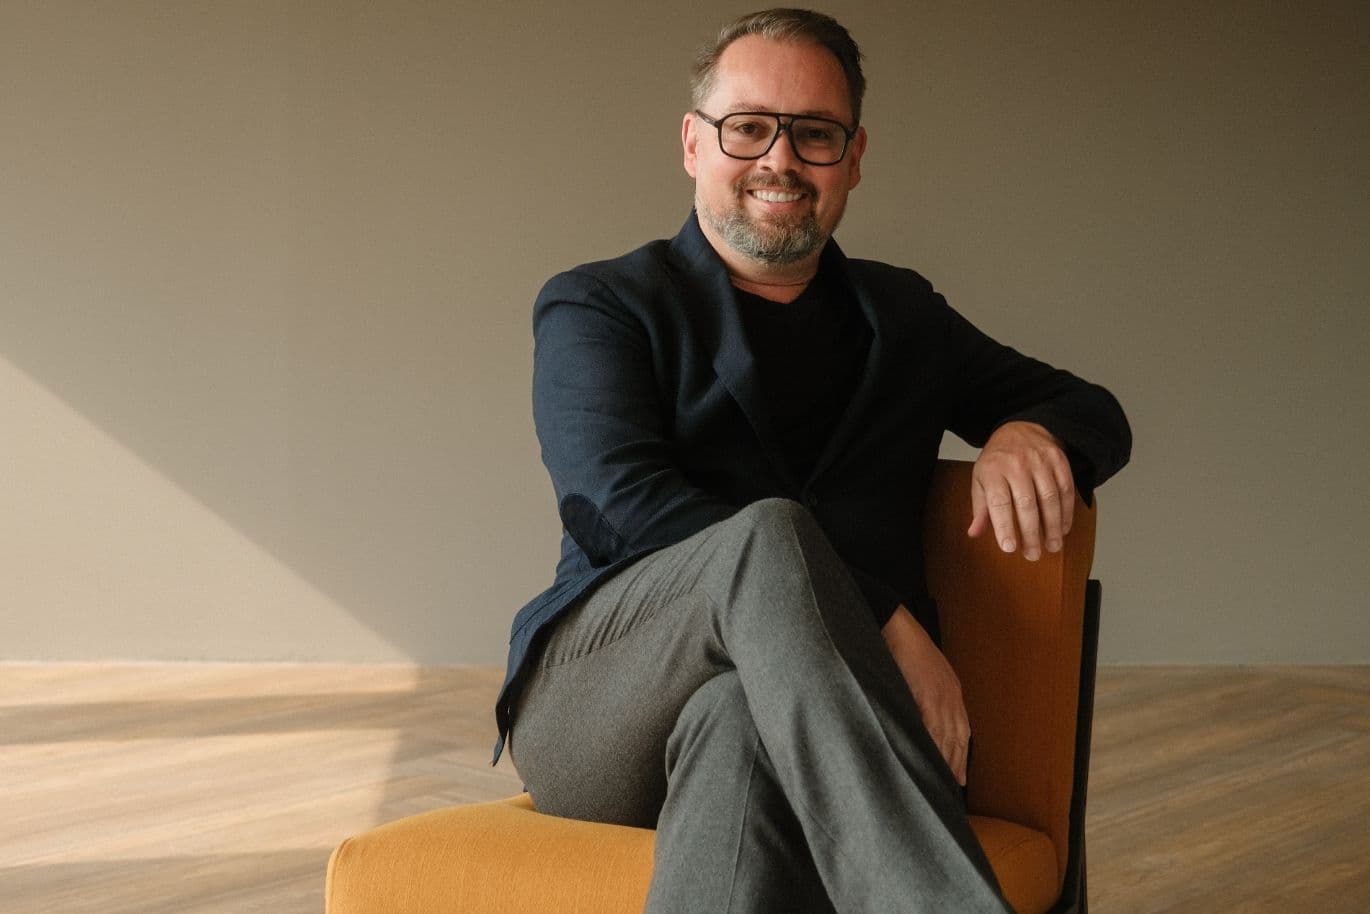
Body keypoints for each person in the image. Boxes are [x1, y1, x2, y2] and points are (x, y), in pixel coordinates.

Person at [493, 9, 1131, 913]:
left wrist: (1032, 431)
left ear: (854, 156)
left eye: (814, 135)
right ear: (693, 143)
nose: (779, 160)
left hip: (784, 721)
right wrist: (879, 621)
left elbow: (1091, 409)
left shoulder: (901, 317)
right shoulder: (603, 305)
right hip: (600, 709)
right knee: (769, 534)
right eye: (748, 127)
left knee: (740, 723)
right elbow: (618, 504)